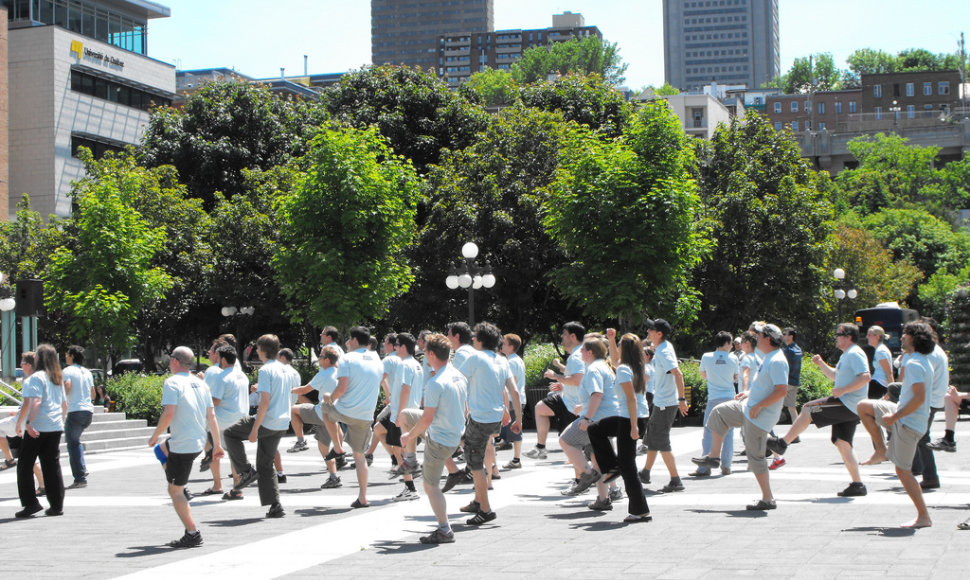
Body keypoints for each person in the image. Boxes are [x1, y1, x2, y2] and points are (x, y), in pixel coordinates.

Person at [692, 324, 789, 511]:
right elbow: (764, 385)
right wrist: (749, 393)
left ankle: (768, 499)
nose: (756, 338)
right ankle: (713, 457)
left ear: (768, 339)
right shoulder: (767, 357)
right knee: (718, 413)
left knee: (755, 458)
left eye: (759, 335)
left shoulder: (777, 361)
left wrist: (759, 404)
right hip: (748, 406)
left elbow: (781, 391)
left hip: (758, 415)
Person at [767, 323, 871, 497]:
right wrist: (821, 363)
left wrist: (844, 390)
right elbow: (834, 376)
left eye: (838, 334)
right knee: (842, 443)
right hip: (849, 405)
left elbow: (866, 377)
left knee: (808, 409)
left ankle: (783, 443)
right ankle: (857, 484)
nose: (835, 337)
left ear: (848, 337)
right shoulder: (847, 355)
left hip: (848, 403)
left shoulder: (855, 353)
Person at [855, 322, 936, 529]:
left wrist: (895, 416)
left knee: (903, 471)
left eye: (906, 334)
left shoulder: (916, 364)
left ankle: (924, 516)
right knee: (864, 406)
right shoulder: (917, 360)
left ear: (915, 339)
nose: (901, 337)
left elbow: (919, 398)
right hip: (902, 415)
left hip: (909, 423)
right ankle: (881, 450)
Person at [148, 346, 224, 548]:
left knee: (174, 491)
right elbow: (212, 417)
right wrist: (216, 445)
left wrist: (155, 435)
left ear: (174, 361)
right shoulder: (201, 384)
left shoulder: (172, 382)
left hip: (183, 446)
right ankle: (180, 484)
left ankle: (192, 533)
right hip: (198, 442)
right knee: (161, 449)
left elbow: (169, 414)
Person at [400, 333, 468, 544]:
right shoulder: (458, 375)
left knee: (431, 486)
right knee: (405, 415)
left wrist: (409, 435)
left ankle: (444, 529)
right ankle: (410, 459)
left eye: (425, 354)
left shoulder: (435, 383)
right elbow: (465, 409)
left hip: (440, 439)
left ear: (430, 354)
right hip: (453, 433)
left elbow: (427, 419)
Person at [455, 321, 522, 525]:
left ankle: (485, 509)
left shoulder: (475, 358)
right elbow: (514, 392)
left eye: (474, 336)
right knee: (472, 449)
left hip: (479, 418)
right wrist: (518, 419)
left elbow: (456, 380)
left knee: (474, 463)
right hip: (495, 419)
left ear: (481, 340)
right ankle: (478, 499)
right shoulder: (502, 360)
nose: (472, 339)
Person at [223, 334, 290, 518]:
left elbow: (265, 402)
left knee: (230, 432)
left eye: (258, 349)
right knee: (266, 464)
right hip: (282, 422)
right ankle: (276, 506)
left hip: (267, 421)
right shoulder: (285, 370)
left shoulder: (266, 370)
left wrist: (254, 429)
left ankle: (245, 472)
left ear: (262, 350)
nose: (257, 352)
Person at [587, 331, 652, 522]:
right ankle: (613, 466)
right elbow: (615, 359)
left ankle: (640, 510)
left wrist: (633, 427)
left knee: (628, 466)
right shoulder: (637, 366)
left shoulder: (624, 369)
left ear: (625, 349)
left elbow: (631, 399)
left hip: (630, 419)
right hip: (634, 417)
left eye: (619, 346)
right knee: (595, 428)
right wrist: (613, 339)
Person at [318, 326, 384, 508]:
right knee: (359, 456)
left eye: (348, 340)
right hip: (366, 415)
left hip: (346, 411)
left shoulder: (347, 359)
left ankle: (338, 448)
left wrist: (330, 398)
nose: (346, 343)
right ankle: (363, 497)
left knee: (324, 407)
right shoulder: (378, 359)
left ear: (355, 340)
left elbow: (342, 388)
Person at [558, 336, 618, 500]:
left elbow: (597, 394)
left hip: (597, 419)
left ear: (589, 352)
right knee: (597, 459)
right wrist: (584, 408)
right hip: (608, 417)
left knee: (565, 440)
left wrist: (587, 417)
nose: (580, 352)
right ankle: (603, 499)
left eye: (583, 349)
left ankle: (586, 473)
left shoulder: (593, 369)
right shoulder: (604, 366)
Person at [525, 322, 586, 460]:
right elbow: (577, 378)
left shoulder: (577, 356)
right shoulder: (578, 354)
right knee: (540, 408)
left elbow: (578, 380)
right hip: (568, 400)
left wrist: (556, 376)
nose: (561, 338)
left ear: (573, 336)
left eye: (564, 335)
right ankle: (541, 447)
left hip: (574, 405)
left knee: (570, 445)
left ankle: (585, 475)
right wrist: (563, 385)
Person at [640, 319, 688, 492]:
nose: (648, 331)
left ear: (659, 333)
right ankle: (645, 472)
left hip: (665, 404)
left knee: (661, 441)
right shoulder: (663, 347)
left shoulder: (663, 352)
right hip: (663, 402)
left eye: (651, 329)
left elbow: (678, 373)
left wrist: (682, 399)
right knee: (653, 438)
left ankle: (676, 480)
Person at [14, 347, 63, 517]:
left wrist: (28, 422)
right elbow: (64, 404)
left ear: (39, 358)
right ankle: (56, 505)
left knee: (25, 465)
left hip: (38, 427)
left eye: (35, 354)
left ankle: (31, 503)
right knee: (52, 465)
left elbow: (35, 402)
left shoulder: (35, 378)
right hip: (55, 427)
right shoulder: (56, 378)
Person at [202, 345, 249, 498]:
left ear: (222, 359)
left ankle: (213, 456)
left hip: (224, 420)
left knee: (211, 439)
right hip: (241, 419)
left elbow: (214, 402)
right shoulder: (243, 376)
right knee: (233, 452)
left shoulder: (222, 377)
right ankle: (237, 486)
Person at [690, 331, 738, 478]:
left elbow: (703, 375)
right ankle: (726, 465)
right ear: (727, 343)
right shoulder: (734, 358)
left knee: (709, 432)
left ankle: (705, 467)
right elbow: (736, 378)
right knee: (728, 432)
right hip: (729, 398)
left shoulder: (706, 356)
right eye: (731, 344)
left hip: (713, 398)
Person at [911, 318, 949, 490]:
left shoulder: (931, 352)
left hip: (929, 400)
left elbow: (924, 378)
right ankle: (923, 471)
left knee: (922, 438)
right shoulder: (937, 350)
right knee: (921, 437)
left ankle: (930, 476)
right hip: (934, 398)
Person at [387, 332, 425, 501]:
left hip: (403, 413)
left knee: (400, 449)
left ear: (402, 347)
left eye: (396, 345)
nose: (394, 348)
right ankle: (410, 482)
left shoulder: (404, 365)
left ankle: (410, 487)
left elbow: (405, 388)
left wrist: (399, 414)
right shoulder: (416, 364)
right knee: (398, 446)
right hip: (412, 411)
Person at [62, 345, 95, 489]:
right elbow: (93, 394)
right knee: (76, 442)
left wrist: (61, 400)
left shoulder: (67, 371)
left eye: (67, 354)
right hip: (88, 412)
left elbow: (67, 386)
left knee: (72, 443)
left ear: (72, 356)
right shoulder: (87, 372)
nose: (65, 356)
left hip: (75, 411)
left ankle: (80, 478)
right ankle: (82, 468)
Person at [499, 333, 527, 470]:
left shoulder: (512, 362)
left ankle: (516, 459)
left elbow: (512, 382)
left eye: (504, 343)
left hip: (512, 399)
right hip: (514, 398)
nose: (502, 345)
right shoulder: (515, 360)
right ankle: (505, 444)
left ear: (511, 346)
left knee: (515, 429)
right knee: (511, 428)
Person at [781, 327, 802, 424]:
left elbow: (783, 367)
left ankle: (768, 431)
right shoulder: (798, 349)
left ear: (791, 336)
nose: (783, 335)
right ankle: (796, 434)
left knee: (775, 405)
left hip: (786, 382)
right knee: (792, 408)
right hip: (795, 382)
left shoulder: (786, 350)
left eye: (785, 334)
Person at [867, 326, 894, 399]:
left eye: (869, 335)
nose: (867, 337)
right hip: (877, 383)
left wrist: (891, 391)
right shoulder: (879, 350)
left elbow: (889, 373)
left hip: (879, 385)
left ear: (877, 336)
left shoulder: (881, 351)